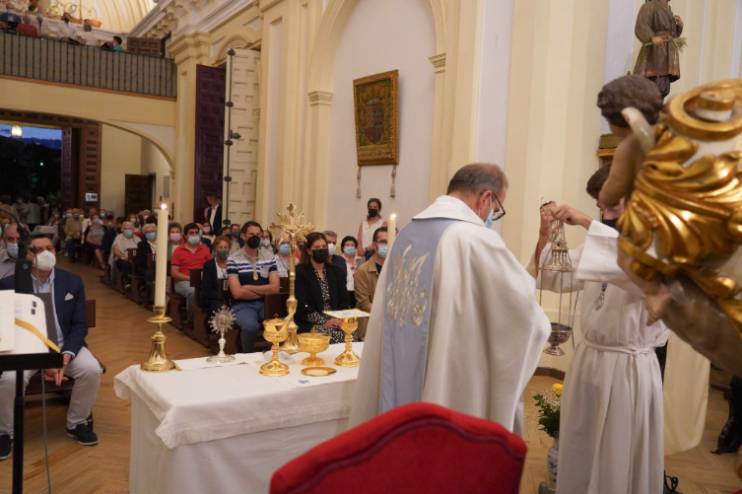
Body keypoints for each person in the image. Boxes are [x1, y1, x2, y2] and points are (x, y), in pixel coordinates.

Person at [349, 163, 550, 434]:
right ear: (486, 198)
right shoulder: (473, 238)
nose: (491, 216)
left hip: (398, 373)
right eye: (496, 208)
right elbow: (524, 315)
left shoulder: (407, 233)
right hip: (451, 375)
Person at [530, 169, 669, 494]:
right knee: (582, 447)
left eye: (612, 207)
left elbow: (636, 268)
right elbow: (555, 275)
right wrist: (545, 235)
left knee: (616, 458)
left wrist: (582, 221)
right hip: (590, 361)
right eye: (600, 207)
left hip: (627, 369)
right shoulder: (601, 245)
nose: (605, 216)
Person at [0, 233, 102, 460]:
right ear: (27, 255)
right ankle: (5, 432)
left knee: (91, 369)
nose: (45, 253)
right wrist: (43, 360)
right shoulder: (10, 283)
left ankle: (76, 422)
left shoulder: (72, 281)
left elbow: (79, 325)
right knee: (9, 379)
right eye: (37, 250)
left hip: (64, 346)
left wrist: (64, 356)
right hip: (26, 347)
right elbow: (6, 327)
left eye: (49, 248)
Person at [227, 221, 280, 352]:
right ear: (243, 236)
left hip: (265, 304)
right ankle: (248, 355)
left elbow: (275, 288)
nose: (255, 237)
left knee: (278, 324)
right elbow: (237, 293)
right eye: (251, 234)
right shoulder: (233, 259)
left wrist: (248, 287)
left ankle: (273, 355)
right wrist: (264, 291)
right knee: (251, 327)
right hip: (242, 305)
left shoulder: (269, 257)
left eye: (258, 234)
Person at [295, 232, 350, 343]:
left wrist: (338, 319)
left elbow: (344, 301)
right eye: (317, 247)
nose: (321, 249)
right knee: (337, 337)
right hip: (311, 322)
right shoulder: (300, 272)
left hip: (336, 320)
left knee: (351, 334)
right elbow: (302, 305)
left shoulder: (336, 271)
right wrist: (324, 321)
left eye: (324, 246)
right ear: (309, 251)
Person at [633, 0, 683, 99]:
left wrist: (679, 26)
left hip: (666, 55)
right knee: (654, 85)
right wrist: (651, 37)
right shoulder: (650, 6)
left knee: (663, 86)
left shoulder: (668, 9)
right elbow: (641, 25)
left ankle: (657, 105)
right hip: (654, 54)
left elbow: (672, 35)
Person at [170, 223, 212, 323]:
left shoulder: (204, 249)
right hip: (183, 281)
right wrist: (191, 278)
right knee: (193, 292)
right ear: (185, 235)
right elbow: (174, 273)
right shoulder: (178, 250)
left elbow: (211, 267)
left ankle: (209, 317)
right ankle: (192, 320)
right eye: (191, 233)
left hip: (202, 279)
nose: (194, 235)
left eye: (196, 233)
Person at [353, 228, 388, 340]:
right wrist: (389, 315)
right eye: (383, 242)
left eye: (391, 241)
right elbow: (365, 304)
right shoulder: (363, 271)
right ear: (374, 245)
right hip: (370, 327)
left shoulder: (398, 269)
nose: (387, 245)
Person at [201, 235, 231, 316]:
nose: (223, 250)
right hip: (213, 299)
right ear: (215, 249)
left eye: (226, 247)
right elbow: (206, 289)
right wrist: (221, 298)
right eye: (220, 247)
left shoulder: (233, 264)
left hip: (231, 298)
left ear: (229, 249)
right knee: (222, 311)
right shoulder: (208, 265)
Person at [340, 235, 363, 307]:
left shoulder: (361, 260)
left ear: (356, 248)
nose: (350, 247)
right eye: (347, 245)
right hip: (344, 292)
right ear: (343, 248)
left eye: (352, 245)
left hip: (358, 292)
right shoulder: (338, 260)